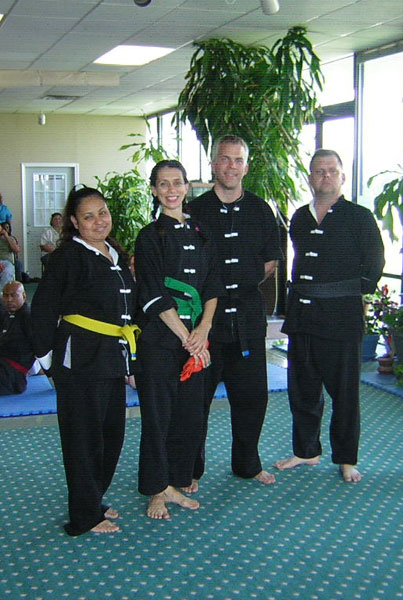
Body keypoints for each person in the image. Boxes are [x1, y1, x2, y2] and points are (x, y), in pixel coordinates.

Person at [31, 186, 138, 536]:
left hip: (112, 359)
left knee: (111, 436)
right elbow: (43, 309)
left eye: (102, 213)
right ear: (75, 223)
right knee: (83, 440)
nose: (98, 221)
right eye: (88, 216)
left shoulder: (115, 253)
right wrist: (47, 361)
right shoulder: (68, 257)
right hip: (79, 361)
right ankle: (84, 516)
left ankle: (95, 498)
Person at [276, 149, 385, 483]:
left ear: (342, 177)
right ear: (310, 178)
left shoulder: (359, 217)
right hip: (303, 315)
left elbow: (374, 264)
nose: (325, 176)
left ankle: (347, 458)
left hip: (341, 318)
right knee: (302, 389)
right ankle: (306, 450)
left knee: (345, 393)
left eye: (331, 170)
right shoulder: (300, 217)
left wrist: (346, 293)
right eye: (318, 171)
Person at [186, 135, 282, 490]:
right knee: (196, 400)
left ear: (246, 166)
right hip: (203, 322)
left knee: (252, 398)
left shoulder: (261, 210)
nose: (231, 166)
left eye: (238, 160)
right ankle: (190, 469)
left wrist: (242, 280)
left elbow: (270, 261)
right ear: (213, 164)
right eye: (224, 159)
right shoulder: (194, 211)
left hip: (247, 318)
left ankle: (247, 464)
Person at [135, 160, 221, 519]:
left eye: (177, 182)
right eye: (163, 184)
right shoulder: (149, 236)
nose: (171, 190)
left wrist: (203, 331)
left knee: (190, 412)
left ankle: (178, 477)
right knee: (159, 417)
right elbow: (152, 293)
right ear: (154, 190)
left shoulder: (202, 232)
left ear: (187, 187)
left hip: (196, 338)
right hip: (161, 339)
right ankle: (157, 489)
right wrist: (188, 337)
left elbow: (213, 285)